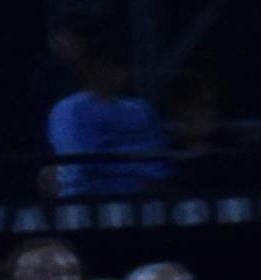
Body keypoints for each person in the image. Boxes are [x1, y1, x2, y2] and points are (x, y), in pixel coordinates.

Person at [45, 30, 170, 198]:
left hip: (146, 199)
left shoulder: (143, 109)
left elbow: (157, 160)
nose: (116, 73)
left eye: (121, 66)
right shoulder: (68, 110)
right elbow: (81, 164)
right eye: (104, 65)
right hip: (89, 202)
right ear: (88, 68)